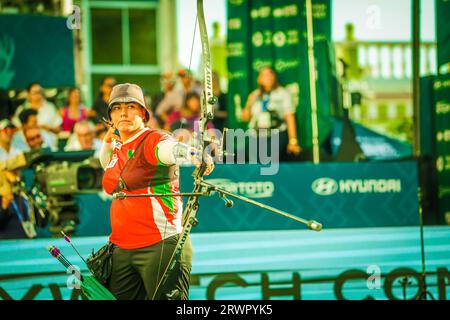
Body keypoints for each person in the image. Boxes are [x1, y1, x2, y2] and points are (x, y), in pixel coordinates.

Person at [100, 83, 214, 300]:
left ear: (143, 113)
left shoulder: (153, 139)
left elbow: (169, 149)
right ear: (110, 117)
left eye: (131, 106)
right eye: (116, 108)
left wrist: (192, 152)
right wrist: (107, 142)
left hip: (159, 246)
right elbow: (108, 166)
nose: (123, 112)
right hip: (121, 248)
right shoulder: (119, 147)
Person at [242, 66, 301, 161]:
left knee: (268, 162)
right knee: (254, 165)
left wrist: (293, 140)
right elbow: (245, 118)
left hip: (275, 134)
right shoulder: (254, 94)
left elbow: (290, 117)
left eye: (270, 74)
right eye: (264, 75)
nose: (268, 77)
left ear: (275, 77)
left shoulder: (283, 93)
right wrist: (249, 103)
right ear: (259, 79)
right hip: (256, 135)